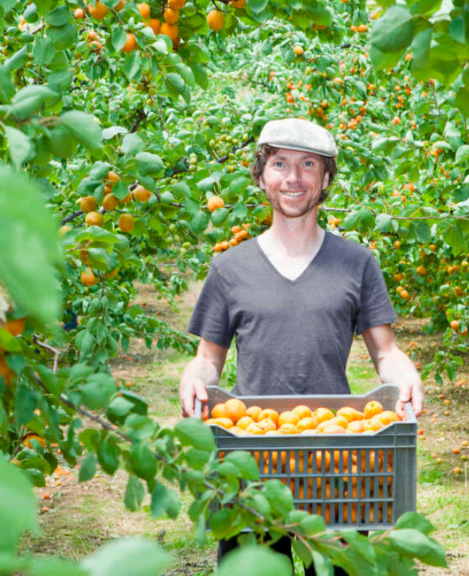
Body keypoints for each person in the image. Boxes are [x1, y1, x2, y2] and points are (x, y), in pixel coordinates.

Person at [177, 117, 424, 574]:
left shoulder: (356, 262)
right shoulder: (230, 268)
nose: (293, 178)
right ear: (262, 175)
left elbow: (385, 352)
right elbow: (208, 360)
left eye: (308, 164)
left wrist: (406, 376)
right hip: (251, 460)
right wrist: (193, 380)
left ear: (326, 178)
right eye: (279, 163)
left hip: (338, 461)